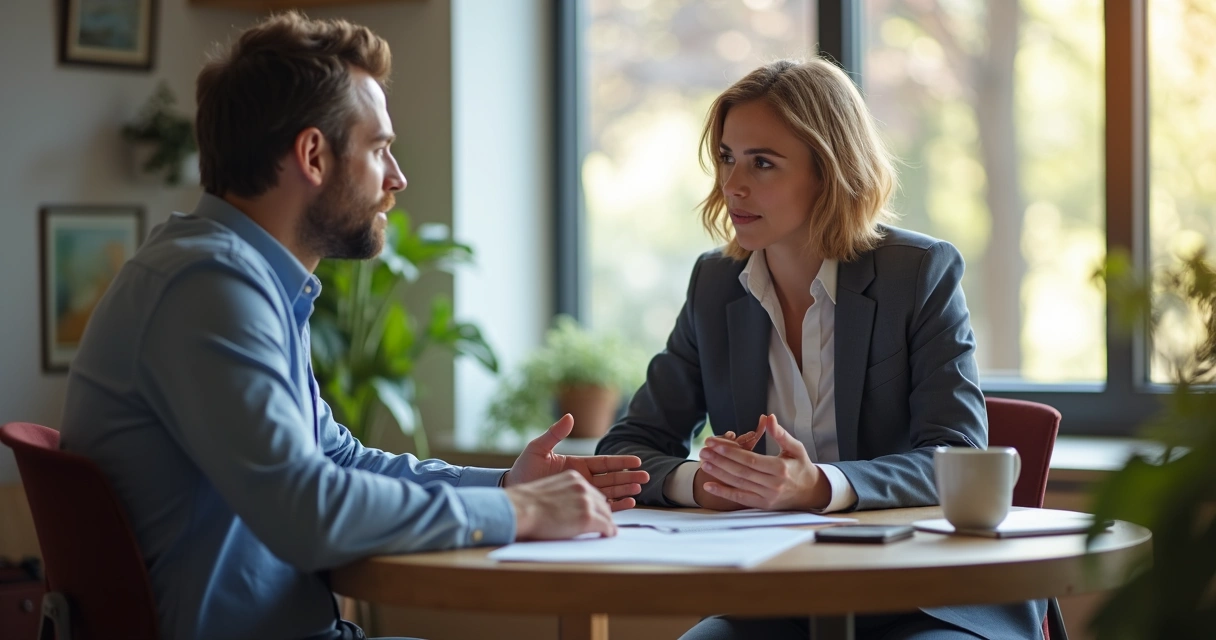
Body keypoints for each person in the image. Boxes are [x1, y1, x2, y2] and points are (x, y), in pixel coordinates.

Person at [60, 12, 647, 640]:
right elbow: (307, 509)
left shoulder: (241, 279)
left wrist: (505, 482)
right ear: (313, 155)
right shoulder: (208, 287)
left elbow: (336, 459)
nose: (397, 179)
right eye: (379, 149)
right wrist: (515, 510)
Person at [596, 58, 1046, 640]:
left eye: (763, 163)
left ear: (829, 172)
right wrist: (701, 485)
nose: (733, 185)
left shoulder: (919, 274)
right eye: (729, 157)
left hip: (931, 599)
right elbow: (628, 447)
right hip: (779, 600)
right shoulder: (716, 286)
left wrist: (819, 487)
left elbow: (957, 453)